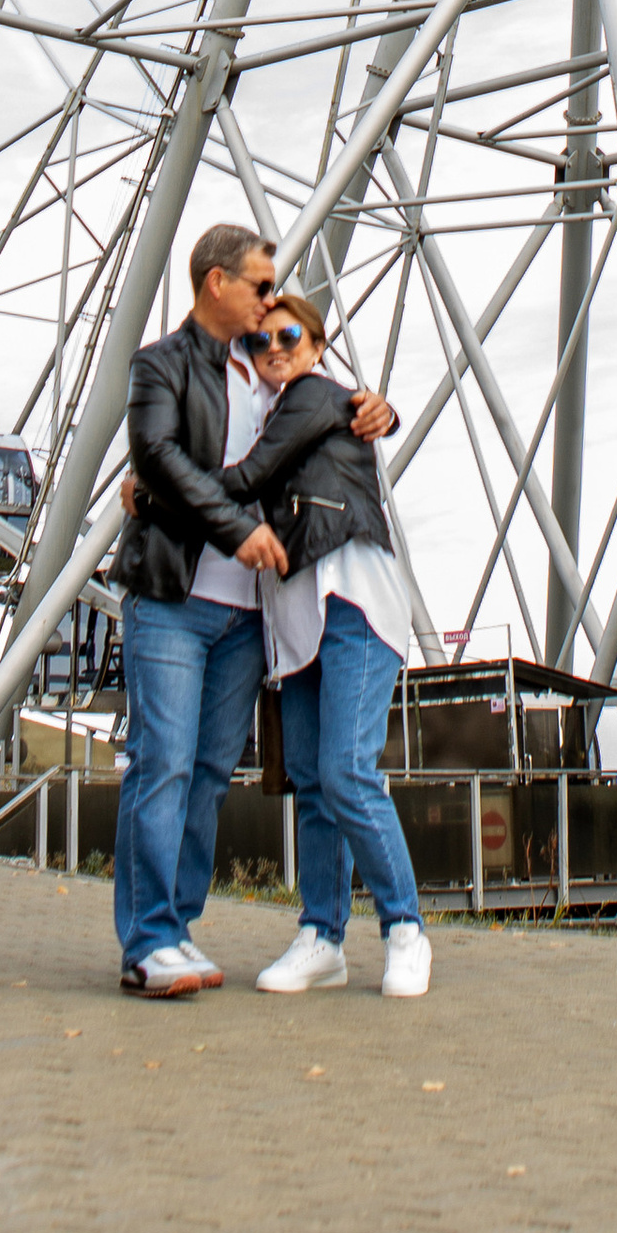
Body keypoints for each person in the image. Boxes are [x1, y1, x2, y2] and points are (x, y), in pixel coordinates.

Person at [113, 222, 395, 1000]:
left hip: (247, 616)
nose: (272, 306)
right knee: (162, 763)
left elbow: (320, 424)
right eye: (262, 287)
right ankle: (148, 941)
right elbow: (161, 457)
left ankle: (180, 926)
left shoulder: (275, 374)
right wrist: (231, 527)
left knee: (205, 775)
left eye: (280, 303)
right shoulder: (160, 365)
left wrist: (376, 408)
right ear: (216, 283)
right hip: (174, 597)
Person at [218, 287, 431, 1001]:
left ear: (315, 346)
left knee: (345, 772)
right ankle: (322, 936)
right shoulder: (264, 408)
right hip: (297, 615)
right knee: (312, 782)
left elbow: (248, 478)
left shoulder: (314, 397)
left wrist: (159, 488)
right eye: (259, 342)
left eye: (287, 339)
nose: (273, 351)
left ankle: (405, 928)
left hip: (352, 601)